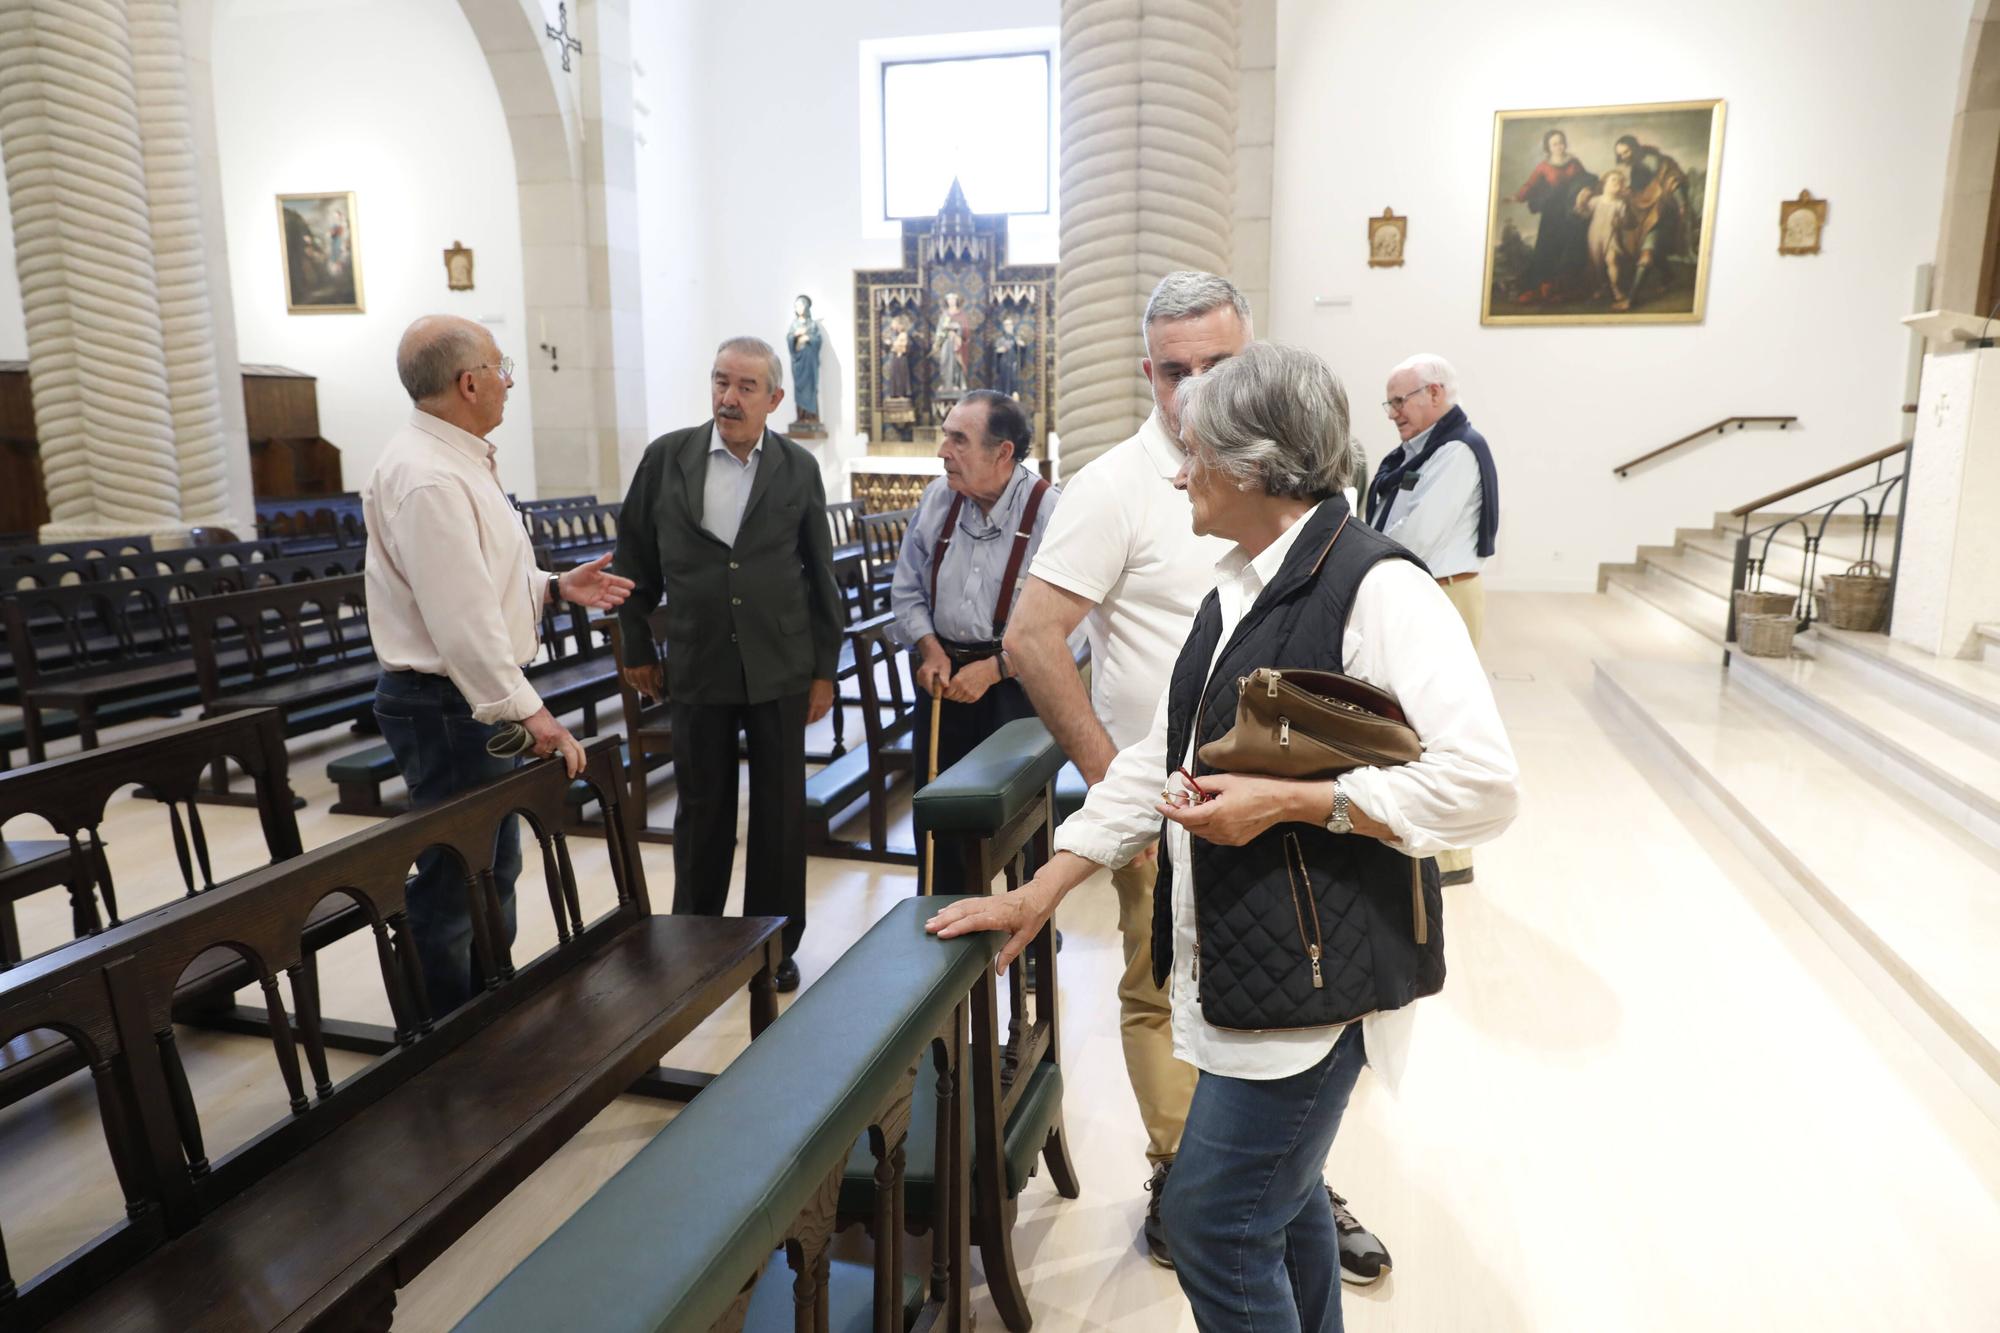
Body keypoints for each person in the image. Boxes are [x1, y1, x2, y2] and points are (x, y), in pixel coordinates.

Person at [932, 342, 1520, 1333]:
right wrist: (1040, 892)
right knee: (1281, 1214)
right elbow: (1156, 765)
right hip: (1255, 967)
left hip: (1315, 984)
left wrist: (1295, 802)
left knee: (1210, 1223)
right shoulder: (1233, 589)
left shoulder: (1380, 592)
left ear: (1254, 465)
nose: (1176, 472)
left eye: (1195, 452)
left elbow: (1480, 788)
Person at [1002, 271, 1391, 1284]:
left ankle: (1275, 1179)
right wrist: (1115, 793)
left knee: (1279, 1001)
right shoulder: (1114, 488)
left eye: (1214, 365)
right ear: (1147, 373)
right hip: (1156, 797)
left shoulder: (1285, 477)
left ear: (1251, 355)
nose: (1190, 391)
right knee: (1159, 988)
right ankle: (1185, 1176)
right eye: (1171, 371)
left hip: (1284, 806)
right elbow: (1032, 639)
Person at [365, 315, 635, 1015]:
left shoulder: (457, 458)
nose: (510, 379)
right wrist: (533, 714)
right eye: (501, 366)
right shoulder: (427, 475)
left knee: (491, 864)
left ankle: (488, 1013)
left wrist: (550, 586)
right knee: (461, 877)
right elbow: (461, 624)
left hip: (464, 701)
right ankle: (446, 1043)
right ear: (468, 382)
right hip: (450, 706)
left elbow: (475, 578)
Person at [612, 337, 844, 993]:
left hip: (779, 664)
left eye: (745, 387)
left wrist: (824, 669)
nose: (727, 398)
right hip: (698, 660)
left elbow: (820, 573)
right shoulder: (668, 459)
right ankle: (695, 940)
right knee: (702, 808)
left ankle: (774, 943)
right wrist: (634, 645)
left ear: (774, 399)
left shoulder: (797, 467)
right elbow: (632, 560)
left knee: (778, 812)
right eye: (720, 382)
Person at [890, 389, 1060, 893]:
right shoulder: (938, 498)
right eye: (945, 436)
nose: (943, 450)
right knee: (940, 813)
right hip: (942, 680)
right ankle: (946, 927)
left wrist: (997, 669)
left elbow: (1066, 624)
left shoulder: (1049, 510)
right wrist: (929, 648)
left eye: (958, 440)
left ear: (1003, 452)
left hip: (1016, 688)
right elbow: (906, 588)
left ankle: (1031, 943)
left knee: (1022, 820)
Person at [1366, 353, 1501, 886]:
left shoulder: (1459, 452)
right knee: (1414, 719)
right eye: (1390, 402)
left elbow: (1415, 535)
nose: (1394, 412)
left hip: (1445, 593)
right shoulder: (1420, 450)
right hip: (1425, 591)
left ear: (1436, 395)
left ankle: (1450, 857)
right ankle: (1424, 843)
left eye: (1402, 400)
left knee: (1442, 723)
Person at [1511, 128, 1598, 303]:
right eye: (1554, 144)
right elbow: (1530, 185)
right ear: (1548, 147)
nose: (1559, 146)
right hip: (1552, 213)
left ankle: (1566, 288)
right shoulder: (1544, 166)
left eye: (1561, 142)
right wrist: (1518, 197)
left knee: (1571, 247)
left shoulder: (1574, 162)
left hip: (1571, 212)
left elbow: (1586, 179)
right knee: (1547, 249)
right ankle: (1541, 286)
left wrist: (1587, 190)